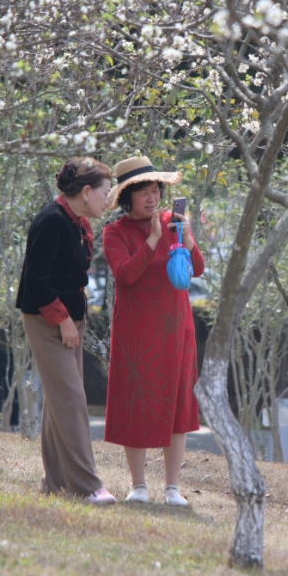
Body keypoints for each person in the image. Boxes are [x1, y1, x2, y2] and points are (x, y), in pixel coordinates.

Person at [101, 156, 204, 506]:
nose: (152, 198)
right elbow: (125, 273)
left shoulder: (172, 222)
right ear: (127, 198)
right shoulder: (115, 232)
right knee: (137, 402)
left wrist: (187, 237)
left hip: (176, 329)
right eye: (144, 192)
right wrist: (152, 240)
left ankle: (172, 487)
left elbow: (197, 269)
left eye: (156, 190)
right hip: (136, 332)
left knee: (177, 406)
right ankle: (139, 485)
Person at [15, 158, 117, 505]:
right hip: (48, 321)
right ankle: (87, 486)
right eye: (105, 192)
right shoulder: (53, 220)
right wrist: (62, 321)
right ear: (86, 192)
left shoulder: (77, 221)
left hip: (71, 317)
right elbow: (36, 279)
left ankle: (55, 483)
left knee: (59, 401)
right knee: (71, 398)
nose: (109, 199)